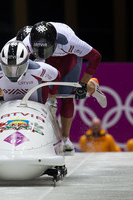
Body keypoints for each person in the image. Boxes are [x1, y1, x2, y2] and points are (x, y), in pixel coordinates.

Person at [22, 21, 107, 154]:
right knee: (43, 100)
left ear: (54, 43)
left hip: (68, 58)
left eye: (46, 49)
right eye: (39, 50)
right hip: (45, 61)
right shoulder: (25, 44)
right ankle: (50, 137)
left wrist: (83, 84)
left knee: (67, 95)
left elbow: (96, 57)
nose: (43, 52)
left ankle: (66, 138)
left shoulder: (69, 41)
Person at [0, 40, 61, 119]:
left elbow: (56, 76)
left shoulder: (37, 69)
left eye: (18, 68)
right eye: (8, 68)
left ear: (26, 63)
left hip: (35, 110)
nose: (13, 72)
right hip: (8, 110)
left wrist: (52, 99)